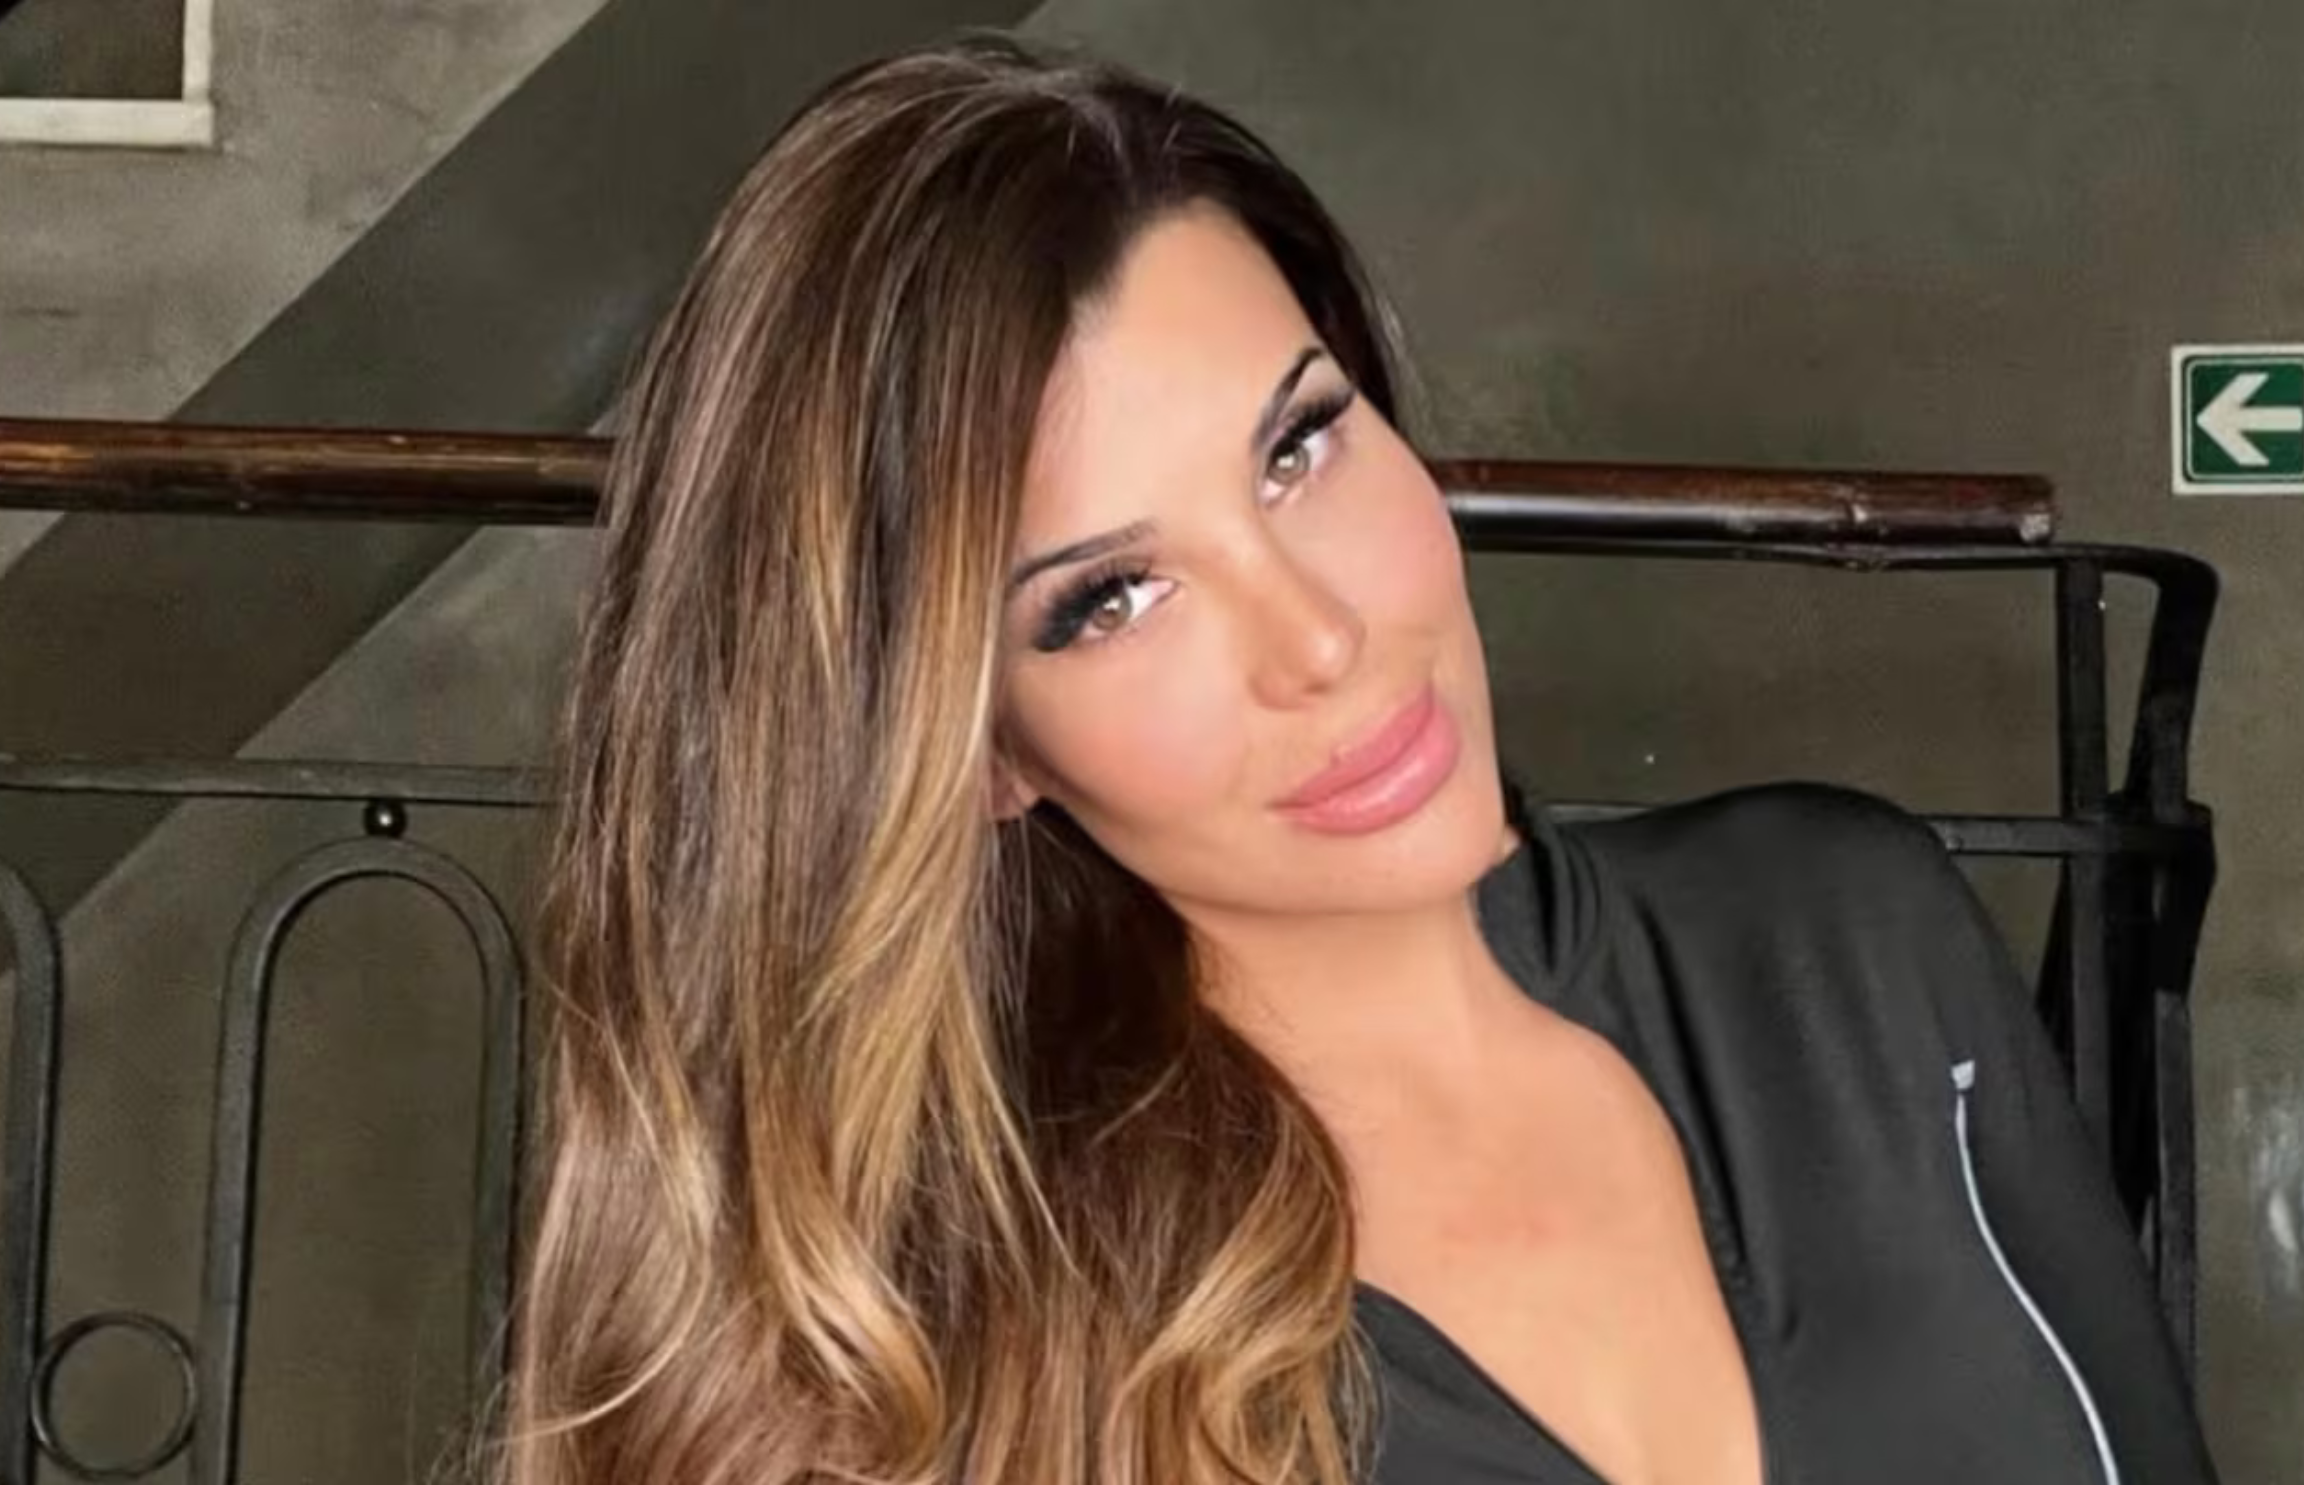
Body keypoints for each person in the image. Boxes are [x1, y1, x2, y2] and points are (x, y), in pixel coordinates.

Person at [489, 29, 2219, 1485]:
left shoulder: (1843, 935)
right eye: (1111, 598)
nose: (1320, 639)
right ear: (975, 750)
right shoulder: (939, 1356)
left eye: (1300, 447)